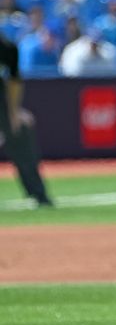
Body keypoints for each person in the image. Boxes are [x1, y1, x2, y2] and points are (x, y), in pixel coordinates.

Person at [0, 35, 52, 207]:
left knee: (22, 135)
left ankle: (39, 194)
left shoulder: (7, 47)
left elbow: (14, 80)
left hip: (2, 102)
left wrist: (15, 112)